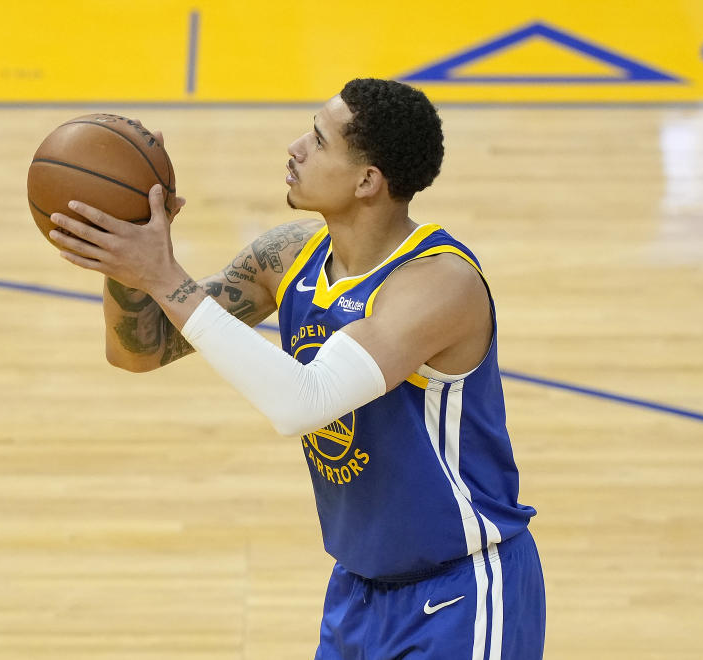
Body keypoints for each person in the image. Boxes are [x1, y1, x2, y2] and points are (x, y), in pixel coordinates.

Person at [47, 78, 545, 660]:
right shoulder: (287, 257)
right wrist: (129, 245)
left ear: (367, 181)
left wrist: (160, 275)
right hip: (357, 592)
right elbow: (141, 348)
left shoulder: (438, 285)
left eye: (317, 139)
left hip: (460, 594)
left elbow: (303, 401)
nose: (294, 147)